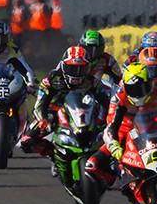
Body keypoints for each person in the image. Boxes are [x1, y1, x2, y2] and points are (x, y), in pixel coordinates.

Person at [85, 62, 157, 204]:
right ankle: (129, 191)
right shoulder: (118, 98)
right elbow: (111, 126)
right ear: (125, 87)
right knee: (92, 165)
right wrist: (113, 144)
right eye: (134, 89)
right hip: (125, 133)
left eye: (143, 87)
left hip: (156, 127)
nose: (139, 92)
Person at [19, 45, 110, 174]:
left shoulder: (92, 82)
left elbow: (107, 102)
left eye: (81, 68)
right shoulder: (51, 79)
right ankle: (54, 154)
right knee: (26, 142)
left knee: (112, 129)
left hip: (85, 111)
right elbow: (40, 104)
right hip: (58, 110)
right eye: (72, 68)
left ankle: (109, 161)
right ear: (63, 66)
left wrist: (112, 118)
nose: (77, 73)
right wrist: (43, 119)